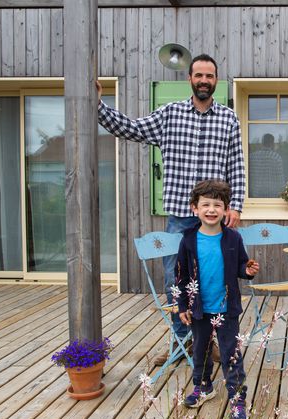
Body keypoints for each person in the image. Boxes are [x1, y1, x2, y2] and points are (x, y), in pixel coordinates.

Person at [96, 54, 245, 365]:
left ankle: (207, 343)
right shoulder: (169, 114)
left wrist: (237, 205)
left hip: (216, 220)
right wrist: (98, 106)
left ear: (216, 80)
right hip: (179, 217)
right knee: (175, 283)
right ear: (189, 79)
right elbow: (130, 128)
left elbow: (237, 166)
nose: (204, 80)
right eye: (199, 75)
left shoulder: (229, 118)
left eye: (210, 76)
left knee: (214, 282)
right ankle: (181, 344)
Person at [174, 179, 259, 419]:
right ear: (194, 208)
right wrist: (182, 306)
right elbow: (180, 275)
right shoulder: (188, 240)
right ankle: (203, 388)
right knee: (199, 350)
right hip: (198, 308)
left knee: (231, 353)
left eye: (217, 205)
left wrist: (248, 270)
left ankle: (237, 399)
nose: (211, 210)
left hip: (226, 308)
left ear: (225, 210)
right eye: (205, 205)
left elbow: (241, 267)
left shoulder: (233, 238)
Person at [248, 133, 285, 198]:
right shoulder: (276, 157)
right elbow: (280, 180)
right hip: (272, 195)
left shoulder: (252, 157)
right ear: (272, 143)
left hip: (254, 195)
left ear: (262, 143)